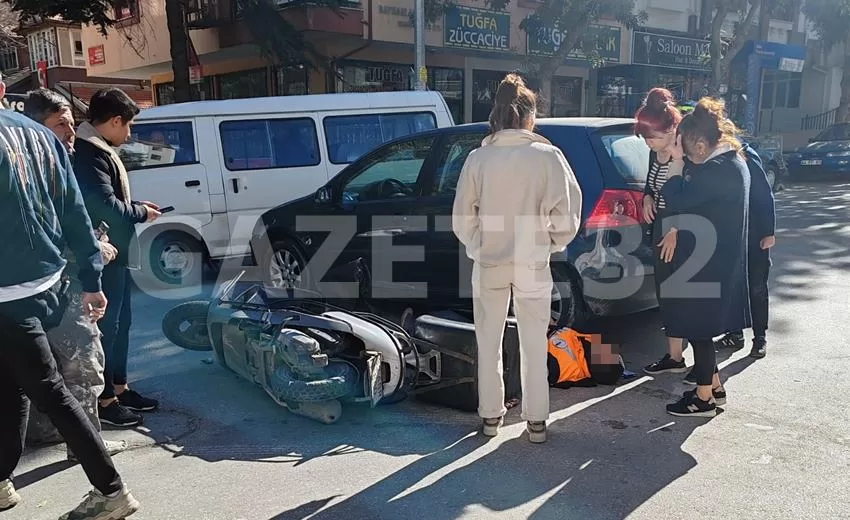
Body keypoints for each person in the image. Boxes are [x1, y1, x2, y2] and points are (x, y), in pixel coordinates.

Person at [0, 80, 139, 518]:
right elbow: (74, 211)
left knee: (47, 388)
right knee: (13, 383)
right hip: (44, 282)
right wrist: (91, 278)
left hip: (7, 291)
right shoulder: (39, 135)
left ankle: (111, 491)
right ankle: (2, 480)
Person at [452, 73, 583, 443]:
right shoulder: (548, 157)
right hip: (532, 261)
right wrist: (549, 242)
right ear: (530, 115)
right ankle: (536, 422)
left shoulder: (479, 158)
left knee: (488, 341)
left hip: (489, 261)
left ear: (496, 114)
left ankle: (491, 418)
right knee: (532, 343)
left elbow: (462, 219)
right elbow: (568, 213)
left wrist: (480, 246)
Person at [21, 88, 130, 458]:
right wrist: (95, 253)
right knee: (83, 364)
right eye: (60, 125)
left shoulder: (48, 163)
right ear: (35, 129)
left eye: (70, 123)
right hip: (60, 286)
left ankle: (52, 434)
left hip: (42, 287)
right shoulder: (39, 168)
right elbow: (49, 229)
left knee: (44, 369)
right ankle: (85, 446)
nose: (70, 132)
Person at [73, 88, 162, 428]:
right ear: (113, 121)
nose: (130, 134)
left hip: (119, 254)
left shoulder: (100, 148)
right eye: (128, 126)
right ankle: (105, 399)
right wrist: (140, 211)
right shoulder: (88, 153)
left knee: (122, 324)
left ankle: (120, 387)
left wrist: (137, 209)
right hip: (103, 256)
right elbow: (103, 205)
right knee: (107, 328)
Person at [659, 97, 752, 417]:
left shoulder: (716, 170)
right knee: (702, 327)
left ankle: (703, 400)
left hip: (708, 262)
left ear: (700, 143)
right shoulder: (732, 162)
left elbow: (675, 200)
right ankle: (714, 386)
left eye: (683, 145)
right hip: (716, 258)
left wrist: (675, 164)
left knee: (699, 328)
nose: (681, 150)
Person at [633, 88, 690, 376]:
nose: (649, 144)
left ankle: (686, 355)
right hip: (661, 227)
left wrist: (677, 229)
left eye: (653, 138)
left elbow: (693, 198)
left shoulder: (687, 154)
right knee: (666, 292)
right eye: (645, 139)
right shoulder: (656, 155)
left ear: (671, 130)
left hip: (683, 228)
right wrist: (647, 198)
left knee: (682, 292)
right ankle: (674, 355)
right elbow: (651, 184)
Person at [709, 142, 776, 359]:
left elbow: (763, 194)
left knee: (756, 287)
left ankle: (760, 338)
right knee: (732, 286)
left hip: (754, 233)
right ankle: (735, 334)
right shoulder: (708, 156)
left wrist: (768, 231)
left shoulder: (744, 154)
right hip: (728, 235)